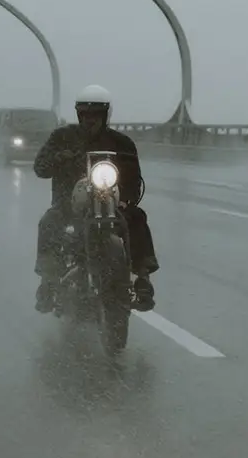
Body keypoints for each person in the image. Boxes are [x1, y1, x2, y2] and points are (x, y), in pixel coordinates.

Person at [32, 84, 158, 312]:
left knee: (137, 218)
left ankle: (143, 279)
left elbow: (134, 181)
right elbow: (40, 168)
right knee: (49, 222)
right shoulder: (62, 137)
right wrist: (61, 157)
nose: (91, 119)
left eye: (96, 114)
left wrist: (125, 200)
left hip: (112, 205)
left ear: (105, 115)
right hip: (69, 205)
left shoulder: (122, 143)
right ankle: (48, 282)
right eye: (86, 114)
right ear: (79, 114)